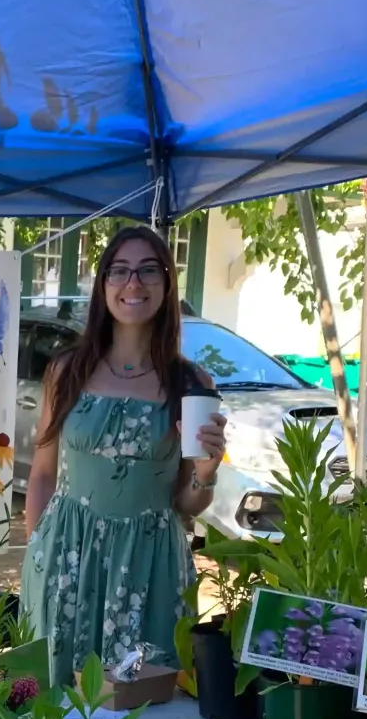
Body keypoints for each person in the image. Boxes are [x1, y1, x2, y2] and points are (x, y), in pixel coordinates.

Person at [20, 226, 227, 686]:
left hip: (149, 565)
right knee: (52, 699)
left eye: (149, 270)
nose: (133, 283)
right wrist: (39, 553)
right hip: (65, 557)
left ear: (167, 285)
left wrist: (207, 473)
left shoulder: (191, 383)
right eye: (120, 271)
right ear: (103, 284)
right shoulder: (66, 371)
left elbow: (187, 503)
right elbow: (43, 475)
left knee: (144, 703)